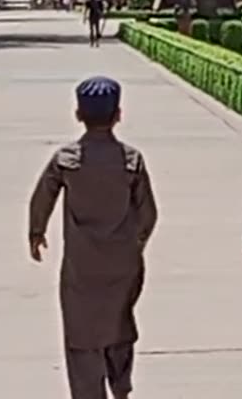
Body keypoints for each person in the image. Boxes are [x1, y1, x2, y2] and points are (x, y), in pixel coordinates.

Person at [29, 76, 158, 399]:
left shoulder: (65, 160)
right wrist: (136, 243)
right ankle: (121, 387)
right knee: (119, 323)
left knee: (81, 333)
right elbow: (148, 213)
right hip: (123, 263)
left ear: (78, 114)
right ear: (118, 114)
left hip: (80, 266)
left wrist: (36, 232)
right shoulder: (132, 160)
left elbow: (42, 197)